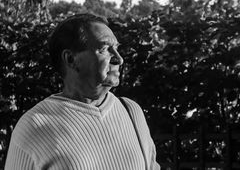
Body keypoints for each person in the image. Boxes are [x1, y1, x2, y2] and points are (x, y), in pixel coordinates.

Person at [5, 13, 160, 170]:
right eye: (105, 49)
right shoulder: (33, 126)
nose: (119, 59)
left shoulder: (131, 111)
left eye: (117, 48)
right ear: (70, 59)